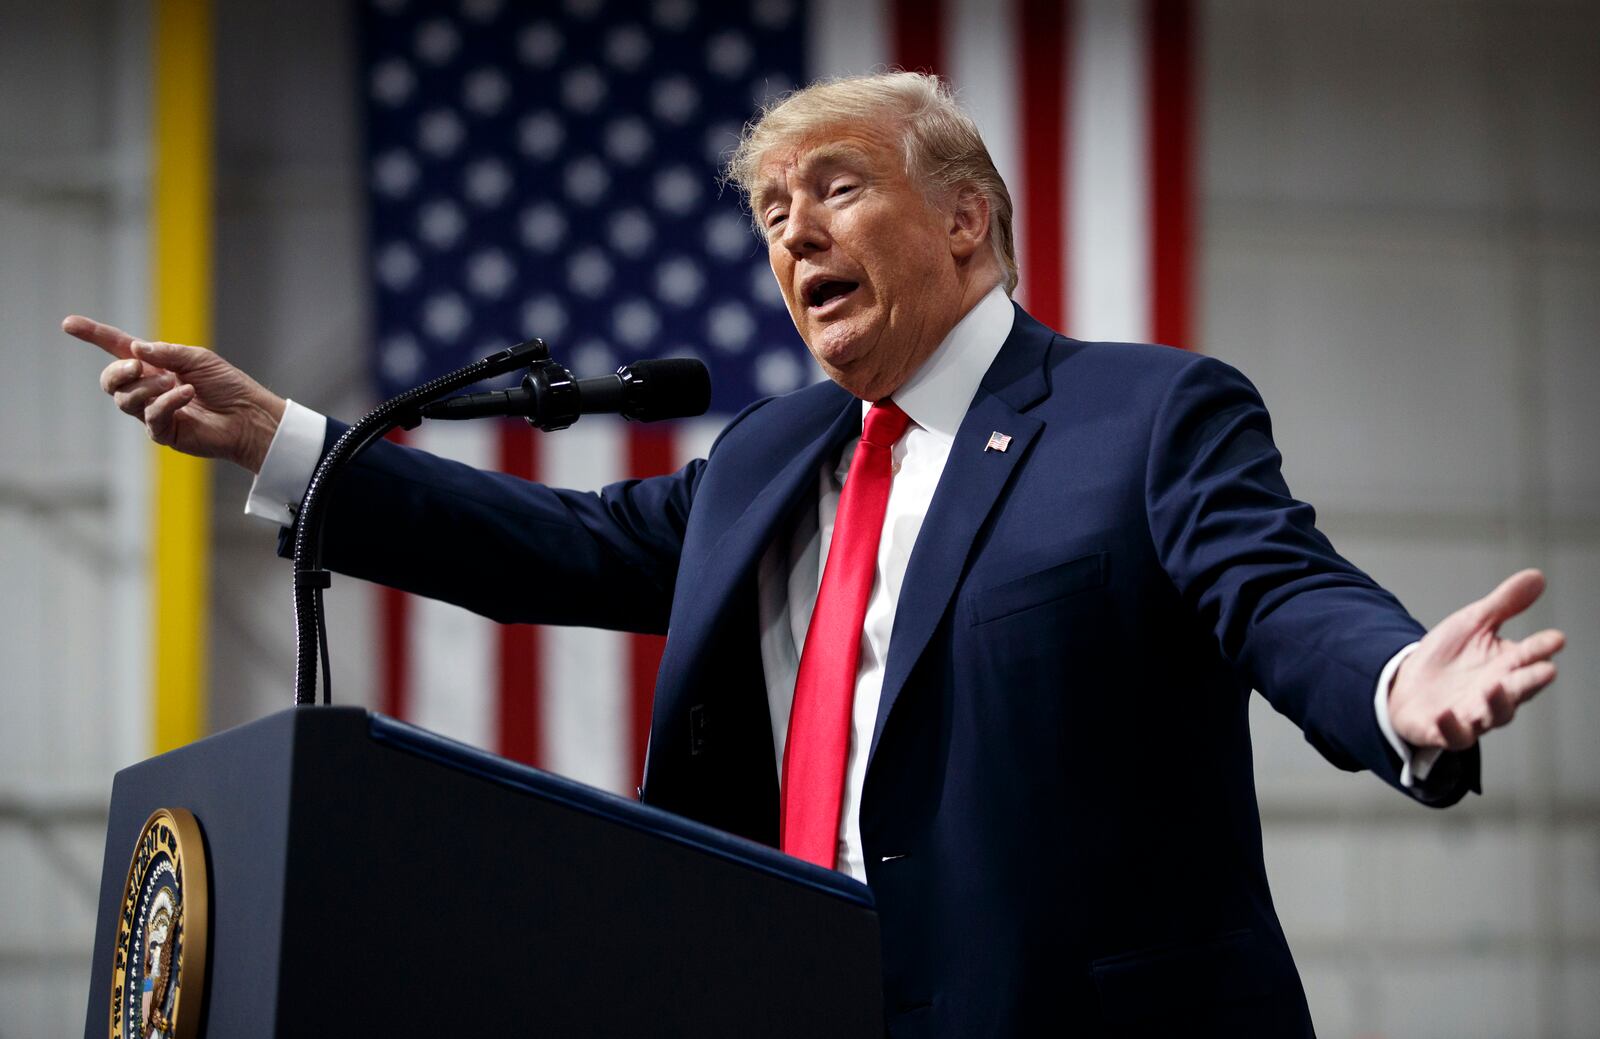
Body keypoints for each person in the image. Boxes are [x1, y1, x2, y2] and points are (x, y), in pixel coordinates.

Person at [67, 73, 1565, 1035]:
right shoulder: (776, 456)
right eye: (774, 216)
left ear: (967, 222)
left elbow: (1275, 587)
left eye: (837, 189)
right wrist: (285, 443)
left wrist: (1390, 684)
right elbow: (568, 547)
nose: (795, 238)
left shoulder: (1145, 413)